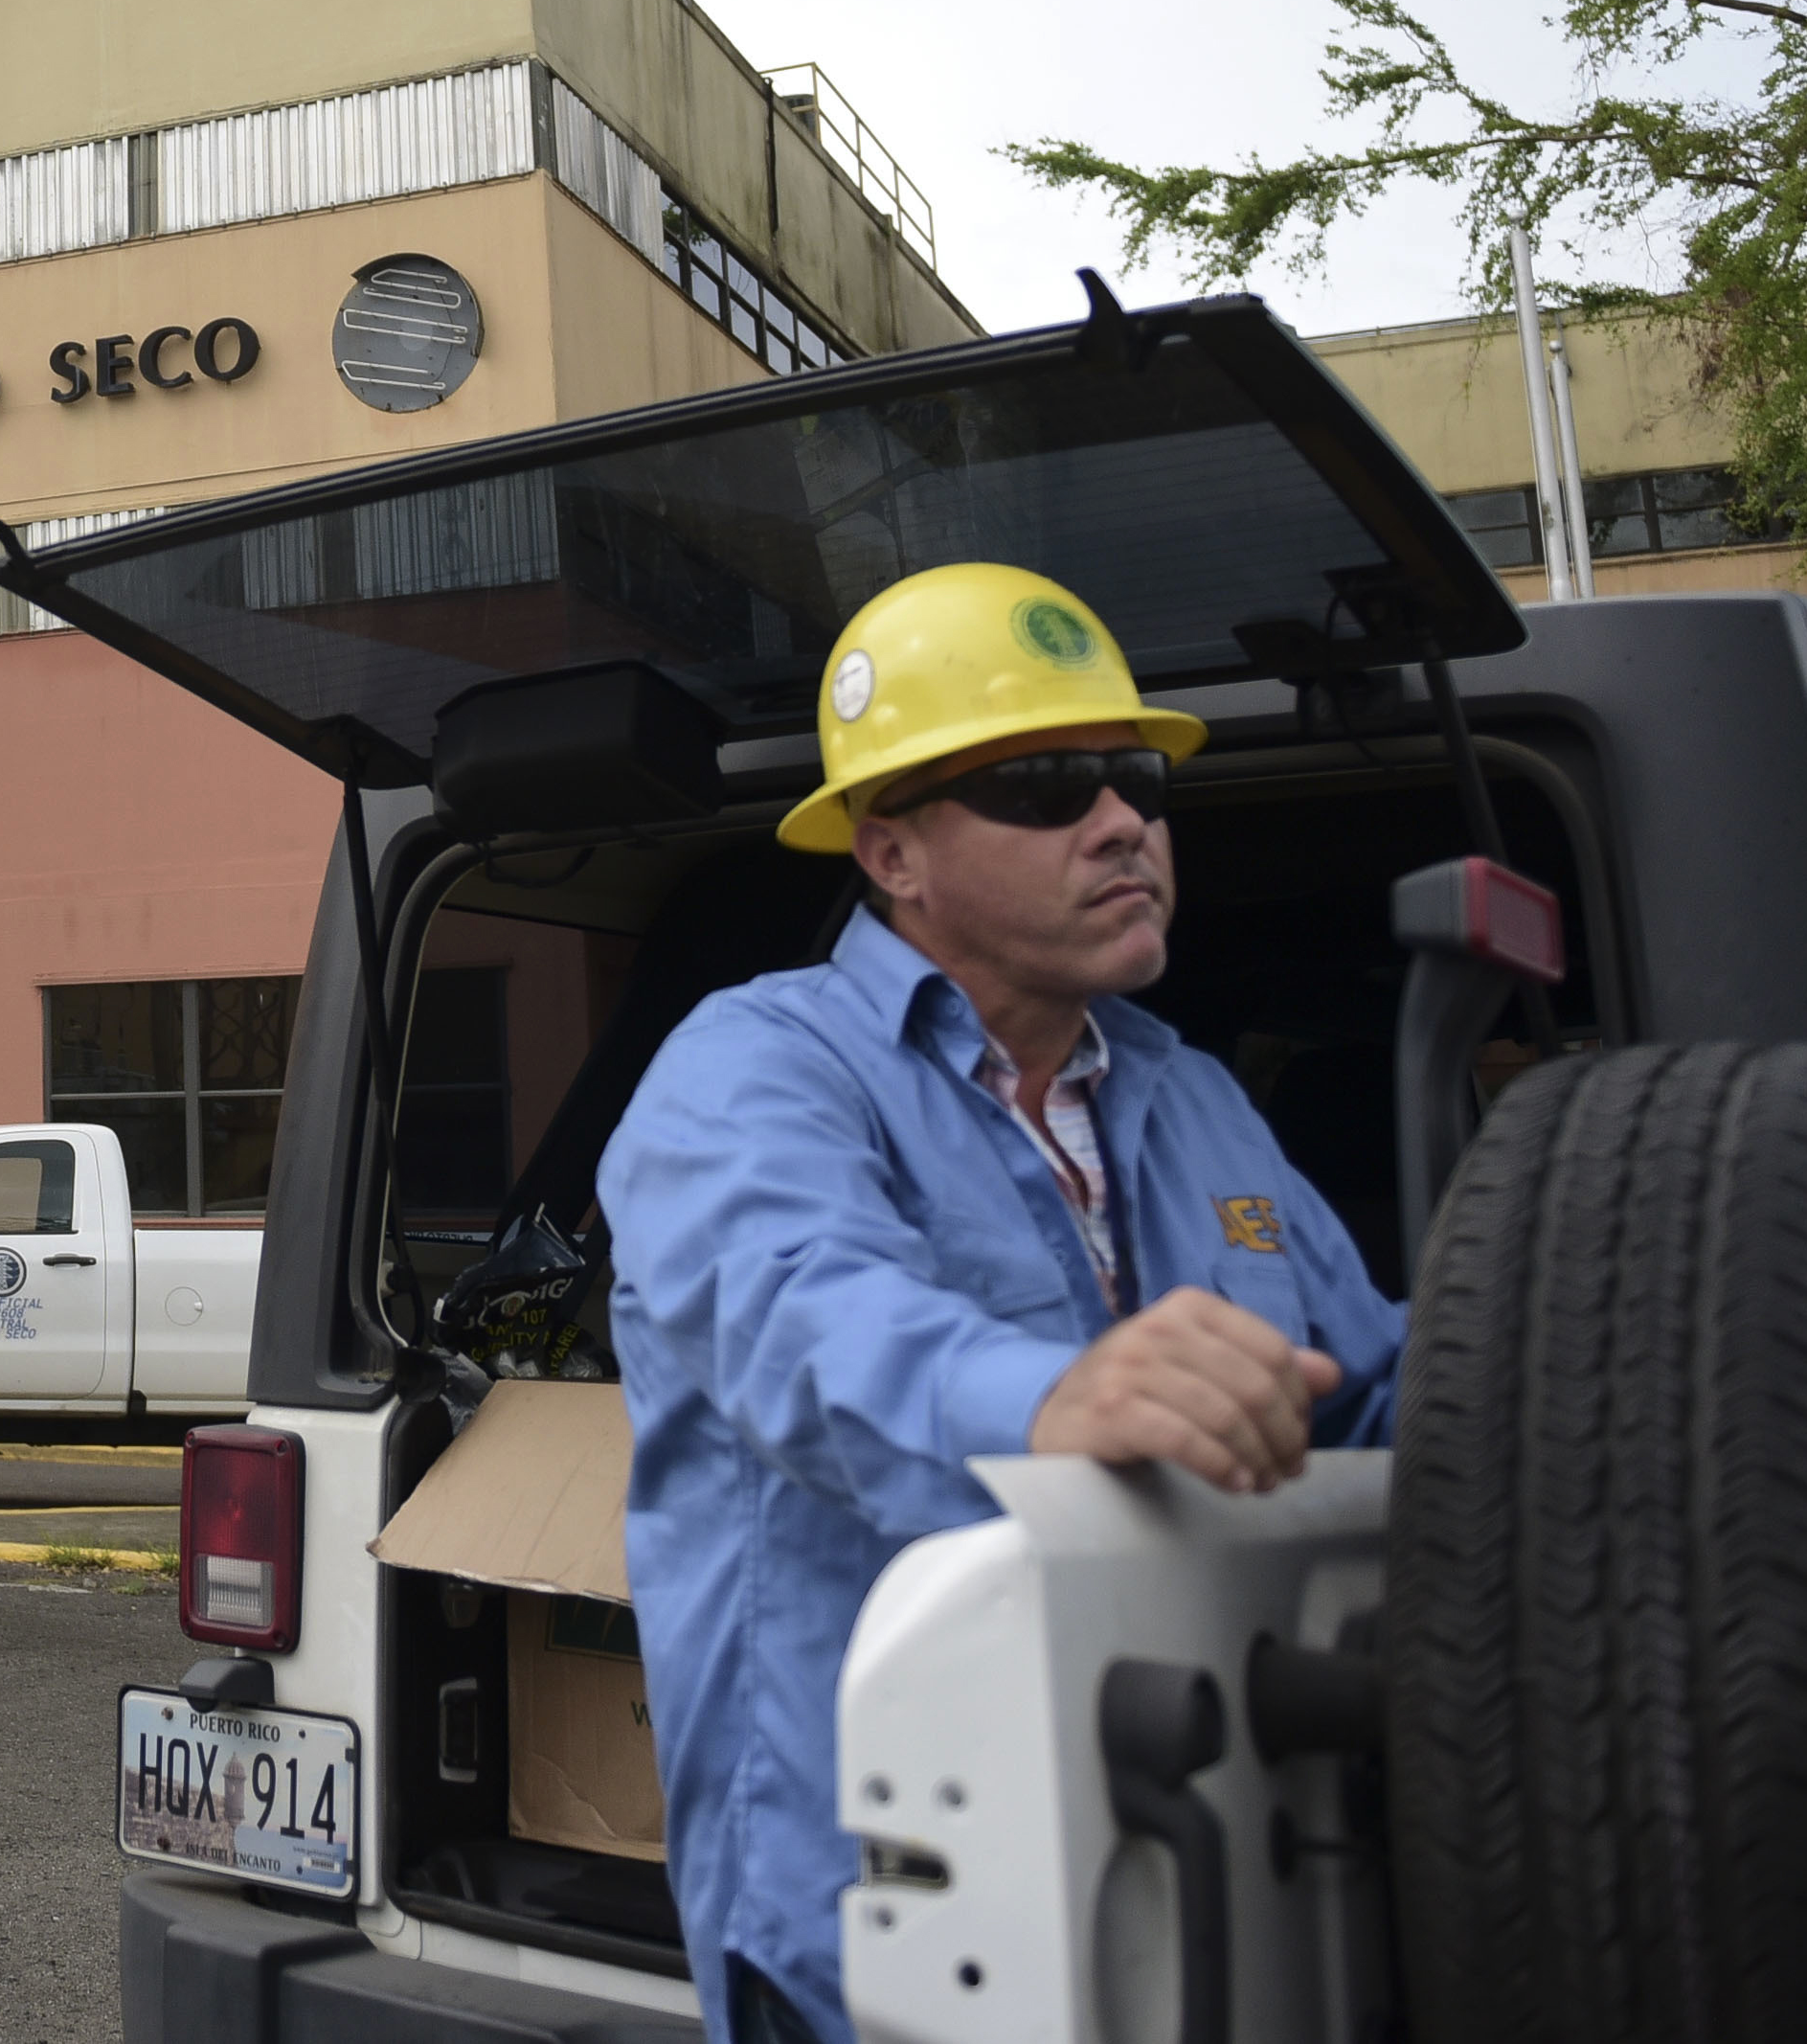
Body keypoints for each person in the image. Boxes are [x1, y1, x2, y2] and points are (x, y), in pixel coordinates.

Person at [600, 562, 1403, 2044]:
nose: (1121, 822)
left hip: (1203, 1878)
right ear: (892, 849)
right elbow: (801, 1314)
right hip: (876, 1927)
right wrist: (1046, 1402)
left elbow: (1371, 1377)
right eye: (1046, 783)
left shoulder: (1195, 1093)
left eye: (1135, 779)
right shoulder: (755, 1069)